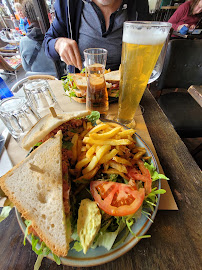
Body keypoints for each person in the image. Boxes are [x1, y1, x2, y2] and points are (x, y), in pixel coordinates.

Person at [44, 0, 151, 73]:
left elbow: (146, 48)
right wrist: (58, 44)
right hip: (82, 85)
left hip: (124, 86)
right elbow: (47, 44)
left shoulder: (138, 4)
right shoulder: (68, 3)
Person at [19, 0, 57, 75]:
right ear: (48, 15)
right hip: (60, 81)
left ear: (27, 19)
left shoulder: (23, 42)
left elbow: (26, 67)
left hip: (37, 82)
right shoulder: (56, 37)